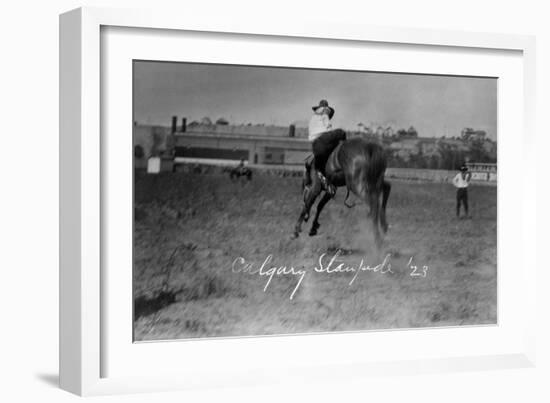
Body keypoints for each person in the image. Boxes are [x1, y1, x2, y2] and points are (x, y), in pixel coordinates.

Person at [308, 100, 346, 195]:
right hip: (324, 139)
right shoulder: (324, 112)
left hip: (315, 145)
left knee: (320, 166)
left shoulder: (313, 118)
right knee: (341, 132)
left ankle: (323, 181)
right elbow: (328, 127)